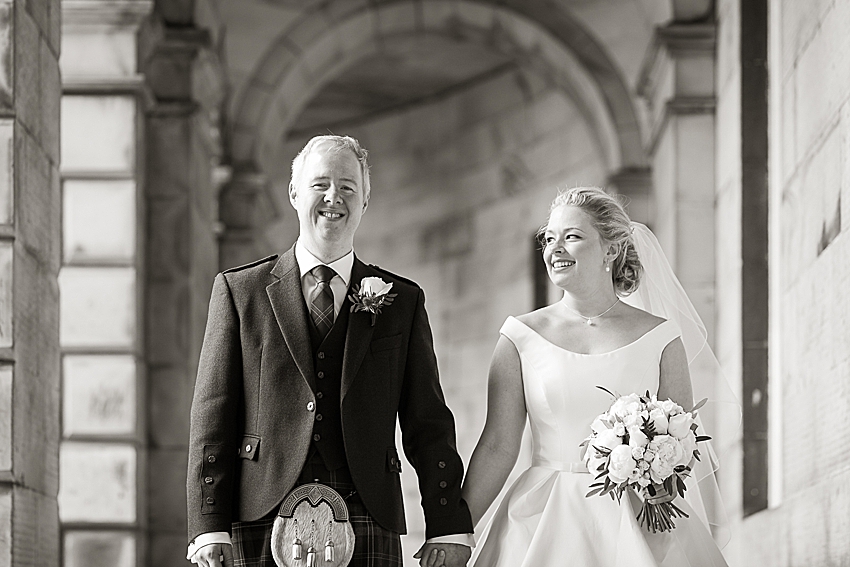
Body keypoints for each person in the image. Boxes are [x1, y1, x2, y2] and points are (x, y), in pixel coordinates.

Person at [186, 135, 473, 567]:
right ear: (294, 193)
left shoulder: (402, 301)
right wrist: (208, 523)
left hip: (367, 509)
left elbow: (426, 421)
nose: (333, 197)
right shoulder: (239, 291)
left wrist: (447, 522)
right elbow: (213, 415)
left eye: (348, 186)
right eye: (320, 184)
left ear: (366, 199)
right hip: (260, 513)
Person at [457, 187, 731, 566]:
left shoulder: (662, 337)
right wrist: (455, 532)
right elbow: (497, 447)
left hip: (636, 524)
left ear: (610, 249)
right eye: (549, 239)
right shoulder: (519, 337)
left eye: (572, 237)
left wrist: (653, 471)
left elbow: (681, 448)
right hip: (541, 521)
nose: (555, 249)